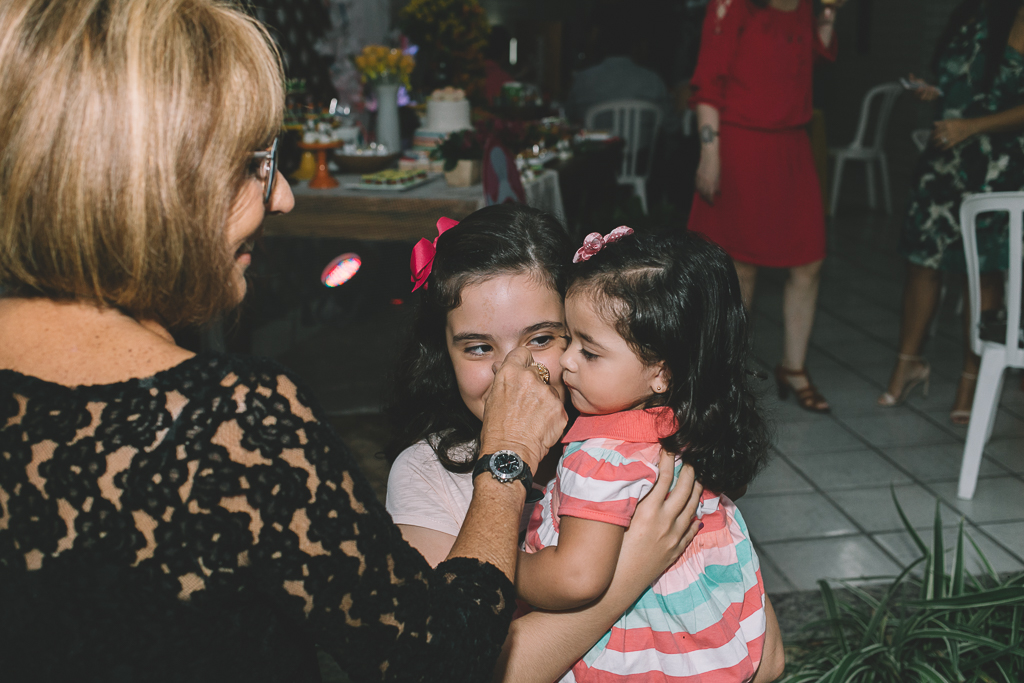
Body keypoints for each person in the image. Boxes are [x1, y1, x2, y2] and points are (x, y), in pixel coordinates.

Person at [0, 1, 572, 681]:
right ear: (153, 182)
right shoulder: (230, 421)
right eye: (251, 166)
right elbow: (438, 660)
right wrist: (505, 461)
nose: (283, 199)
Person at [385, 208, 784, 683]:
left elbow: (765, 656)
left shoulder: (636, 441)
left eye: (542, 338)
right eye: (477, 347)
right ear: (442, 355)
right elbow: (454, 670)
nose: (513, 372)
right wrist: (629, 571)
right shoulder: (424, 476)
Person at [515, 229, 773, 681]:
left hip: (642, 662)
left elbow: (576, 578)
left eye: (589, 351)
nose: (567, 361)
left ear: (661, 371)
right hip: (714, 650)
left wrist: (497, 562)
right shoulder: (686, 430)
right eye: (568, 339)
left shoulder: (603, 457)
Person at [687, 0, 843, 413]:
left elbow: (817, 57)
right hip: (741, 144)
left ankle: (794, 366)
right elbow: (707, 82)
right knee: (743, 268)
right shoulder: (731, 6)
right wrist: (710, 153)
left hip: (793, 144)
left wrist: (828, 13)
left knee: (809, 259)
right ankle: (724, 374)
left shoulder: (806, 7)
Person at [879, 0, 1024, 422]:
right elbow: (974, 84)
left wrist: (971, 126)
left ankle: (971, 377)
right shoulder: (971, 13)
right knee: (922, 264)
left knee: (981, 273)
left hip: (997, 166)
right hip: (944, 160)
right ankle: (908, 364)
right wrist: (935, 90)